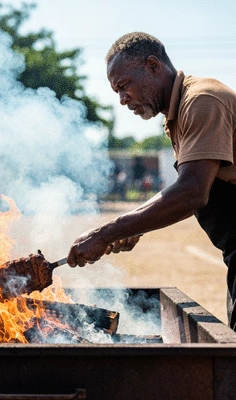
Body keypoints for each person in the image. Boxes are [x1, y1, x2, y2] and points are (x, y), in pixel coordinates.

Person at [67, 32, 236, 331]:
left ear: (153, 66)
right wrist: (134, 224)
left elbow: (193, 192)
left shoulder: (202, 101)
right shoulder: (176, 113)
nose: (121, 100)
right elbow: (187, 186)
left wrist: (108, 232)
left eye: (123, 86)